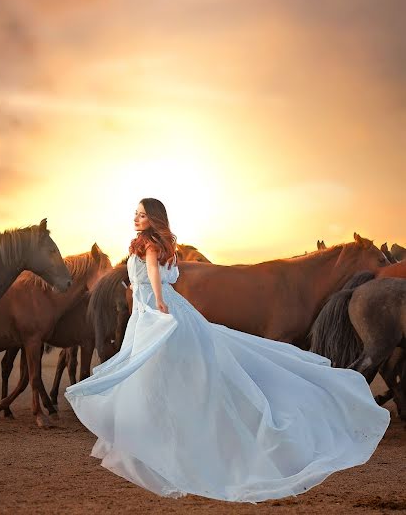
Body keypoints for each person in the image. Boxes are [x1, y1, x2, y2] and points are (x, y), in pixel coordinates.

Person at [65, 198, 389, 503]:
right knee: (167, 365)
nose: (136, 218)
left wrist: (159, 302)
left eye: (142, 214)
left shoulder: (149, 247)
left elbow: (152, 275)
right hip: (158, 310)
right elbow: (157, 274)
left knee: (151, 367)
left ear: (155, 219)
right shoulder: (163, 248)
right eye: (136, 213)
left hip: (155, 310)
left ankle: (162, 430)